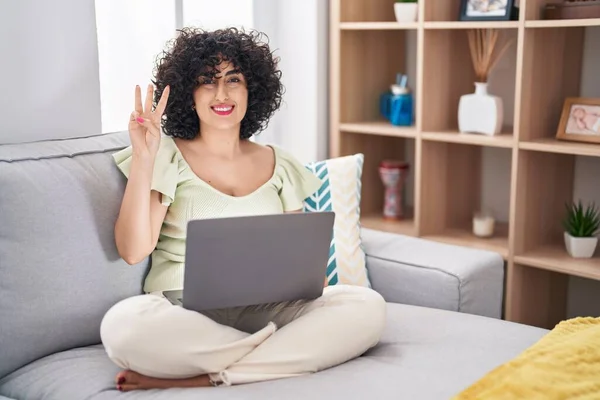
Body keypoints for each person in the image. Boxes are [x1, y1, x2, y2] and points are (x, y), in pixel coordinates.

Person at [99, 27, 386, 392]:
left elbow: (298, 260)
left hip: (268, 307)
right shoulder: (166, 154)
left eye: (233, 79)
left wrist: (314, 291)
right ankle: (279, 356)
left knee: (366, 306)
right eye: (207, 81)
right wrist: (144, 156)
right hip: (185, 312)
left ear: (253, 90)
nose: (222, 93)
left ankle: (212, 375)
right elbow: (132, 250)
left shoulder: (279, 163)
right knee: (123, 325)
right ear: (189, 93)